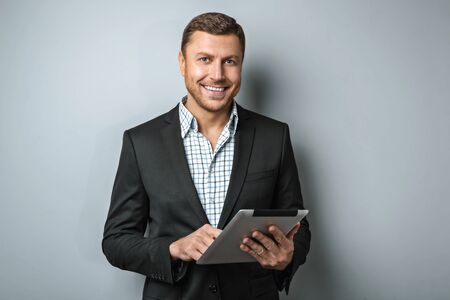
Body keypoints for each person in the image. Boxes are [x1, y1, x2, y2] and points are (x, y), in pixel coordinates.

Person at [102, 12, 311, 300]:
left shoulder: (275, 136)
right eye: (204, 59)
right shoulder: (141, 142)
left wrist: (288, 256)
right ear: (182, 62)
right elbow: (116, 241)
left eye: (230, 61)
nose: (217, 75)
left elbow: (298, 227)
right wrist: (174, 249)